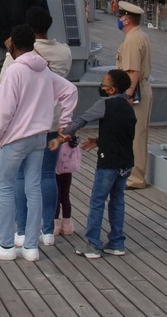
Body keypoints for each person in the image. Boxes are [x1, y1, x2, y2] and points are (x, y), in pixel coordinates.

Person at [0, 24, 77, 262]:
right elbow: (70, 91)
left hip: (16, 137)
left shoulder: (14, 71)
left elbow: (5, 109)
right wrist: (64, 123)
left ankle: (7, 244)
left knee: (6, 187)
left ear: (13, 45)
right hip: (40, 136)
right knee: (34, 188)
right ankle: (31, 246)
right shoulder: (43, 70)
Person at [51, 69, 136, 259]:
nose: (102, 87)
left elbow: (81, 120)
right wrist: (99, 141)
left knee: (97, 201)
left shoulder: (104, 104)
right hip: (126, 162)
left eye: (104, 84)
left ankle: (92, 243)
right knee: (118, 200)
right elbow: (122, 134)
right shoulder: (128, 106)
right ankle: (117, 242)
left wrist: (63, 135)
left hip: (109, 162)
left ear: (112, 89)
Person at [115, 0, 153, 189]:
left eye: (121, 17)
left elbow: (132, 72)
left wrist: (126, 97)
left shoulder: (132, 40)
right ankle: (136, 175)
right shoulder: (141, 35)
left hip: (136, 91)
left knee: (136, 135)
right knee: (139, 134)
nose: (119, 20)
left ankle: (135, 178)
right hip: (143, 89)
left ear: (127, 20)